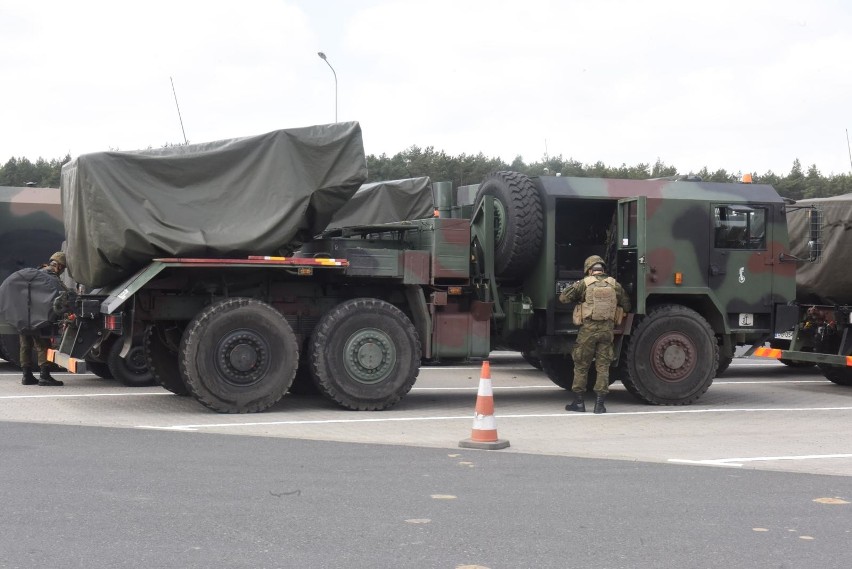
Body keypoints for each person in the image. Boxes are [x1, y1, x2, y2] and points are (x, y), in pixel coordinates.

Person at [558, 255, 630, 413]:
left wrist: (576, 287)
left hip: (588, 330)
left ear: (589, 270)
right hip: (607, 331)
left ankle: (579, 403)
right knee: (603, 367)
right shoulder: (613, 284)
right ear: (602, 269)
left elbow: (563, 298)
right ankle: (600, 405)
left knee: (581, 366)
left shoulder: (585, 283)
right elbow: (626, 304)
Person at [19, 251, 68, 387]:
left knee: (25, 345)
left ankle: (26, 376)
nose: (62, 271)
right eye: (63, 268)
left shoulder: (36, 272)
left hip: (24, 314)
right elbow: (63, 293)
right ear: (58, 266)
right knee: (43, 345)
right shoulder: (50, 276)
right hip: (38, 316)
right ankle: (44, 376)